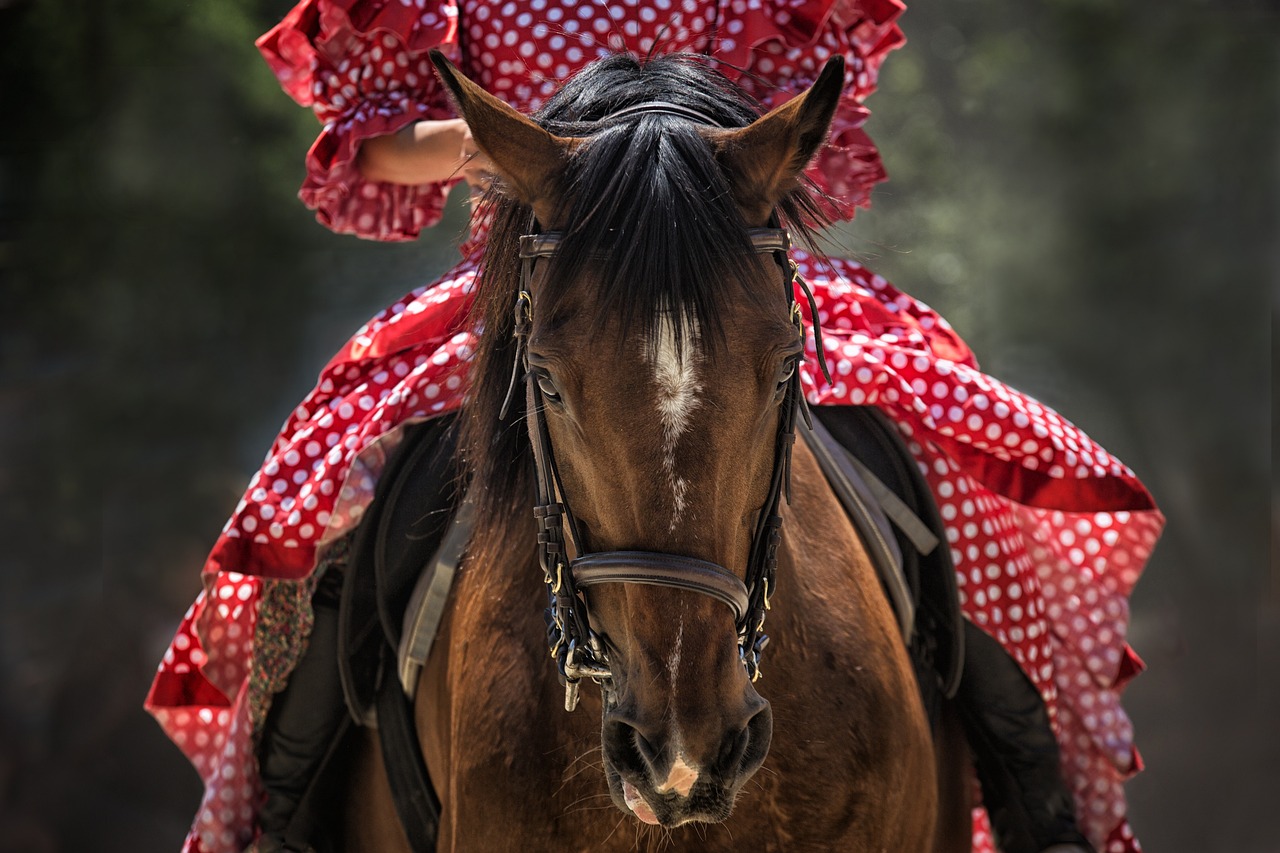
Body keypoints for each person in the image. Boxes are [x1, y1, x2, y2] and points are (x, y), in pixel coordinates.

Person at [144, 2, 1163, 852]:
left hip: (716, 270)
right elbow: (376, 146)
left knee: (949, 463)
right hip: (541, 282)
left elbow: (807, 117)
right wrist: (527, 147)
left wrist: (678, 149)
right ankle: (284, 808)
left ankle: (1036, 798)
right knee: (338, 503)